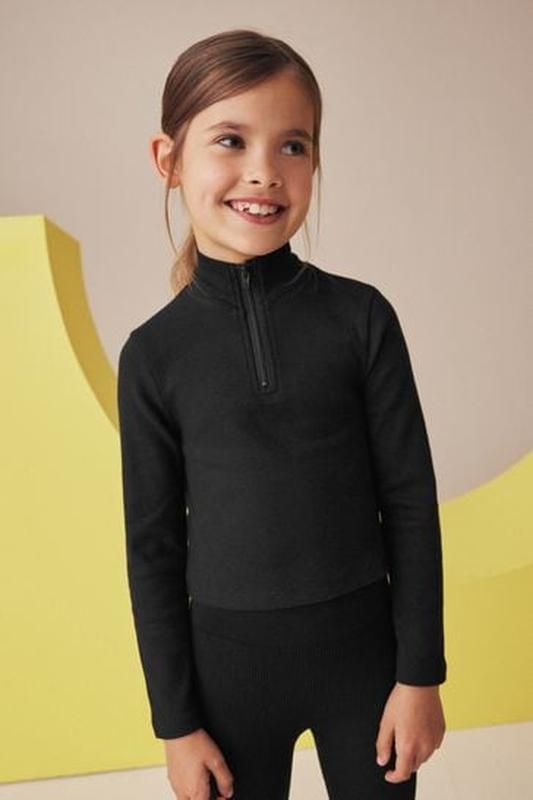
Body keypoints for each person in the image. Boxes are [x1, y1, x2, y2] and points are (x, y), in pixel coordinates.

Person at [117, 28, 447, 800]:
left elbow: (408, 504)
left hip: (366, 668)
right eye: (230, 140)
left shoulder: (360, 319)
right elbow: (153, 550)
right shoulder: (154, 356)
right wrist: (175, 725)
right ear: (169, 159)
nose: (264, 171)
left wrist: (419, 677)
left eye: (292, 145)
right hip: (226, 683)